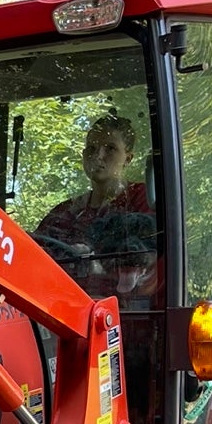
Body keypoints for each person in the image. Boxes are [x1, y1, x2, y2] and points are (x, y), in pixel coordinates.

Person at [35, 112, 158, 301]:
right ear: (83, 156)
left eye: (110, 148)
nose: (98, 156)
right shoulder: (65, 213)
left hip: (127, 311)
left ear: (128, 158)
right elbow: (35, 254)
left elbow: (153, 258)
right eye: (91, 149)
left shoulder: (143, 199)